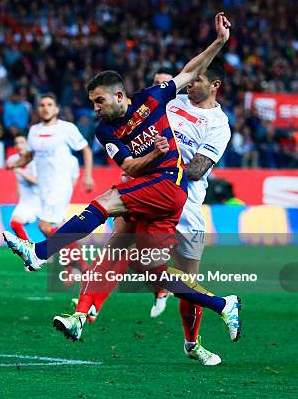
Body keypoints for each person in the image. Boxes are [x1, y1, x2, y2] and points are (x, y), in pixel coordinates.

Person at [2, 13, 241, 344]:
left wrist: (219, 42)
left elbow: (189, 71)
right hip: (152, 185)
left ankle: (41, 253)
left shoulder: (161, 101)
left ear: (118, 96)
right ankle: (222, 304)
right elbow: (129, 167)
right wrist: (156, 154)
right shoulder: (106, 129)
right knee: (146, 266)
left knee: (105, 207)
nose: (95, 109)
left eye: (99, 101)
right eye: (92, 103)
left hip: (176, 190)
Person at [72, 59, 232, 365]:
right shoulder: (172, 104)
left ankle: (192, 343)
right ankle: (86, 308)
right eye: (191, 80)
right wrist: (141, 161)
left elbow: (197, 170)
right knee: (119, 246)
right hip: (147, 188)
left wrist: (167, 156)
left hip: (184, 201)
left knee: (187, 283)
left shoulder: (218, 125)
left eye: (197, 81)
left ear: (214, 86)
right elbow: (138, 119)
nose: (190, 84)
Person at [6, 93, 94, 238]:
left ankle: (69, 256)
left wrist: (88, 176)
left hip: (59, 185)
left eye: (49, 105)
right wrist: (14, 164)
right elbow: (30, 156)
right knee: (55, 228)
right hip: (43, 188)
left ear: (56, 109)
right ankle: (70, 257)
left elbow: (86, 150)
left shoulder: (66, 128)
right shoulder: (34, 131)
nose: (45, 108)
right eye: (42, 105)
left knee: (44, 225)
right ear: (38, 109)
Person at [7, 133, 41, 240]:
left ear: (28, 144)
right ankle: (29, 249)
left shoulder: (36, 160)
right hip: (26, 203)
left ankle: (70, 249)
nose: (19, 146)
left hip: (42, 201)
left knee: (55, 228)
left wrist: (19, 170)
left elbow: (37, 181)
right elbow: (19, 181)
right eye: (16, 143)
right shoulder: (13, 159)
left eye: (22, 142)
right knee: (14, 223)